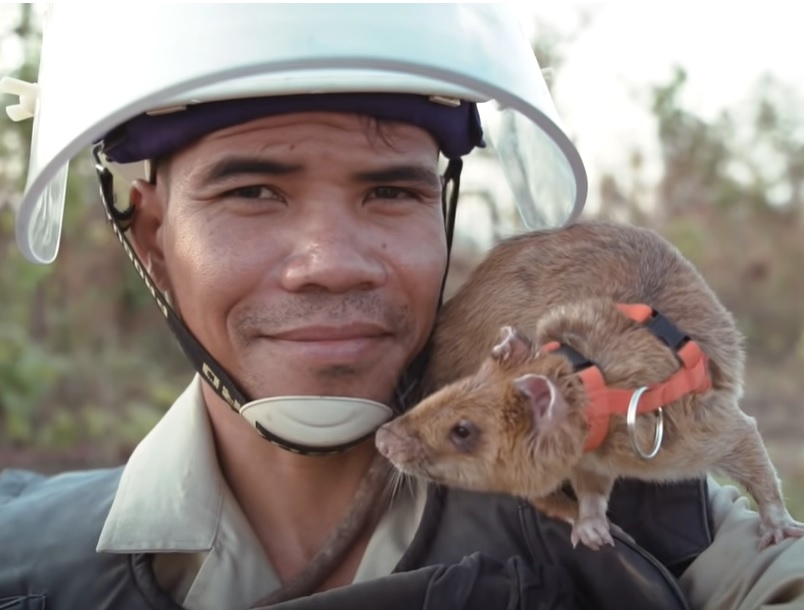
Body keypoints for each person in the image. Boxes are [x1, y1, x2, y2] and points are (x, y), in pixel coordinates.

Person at [0, 4, 801, 610]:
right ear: (153, 240)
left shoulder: (664, 526)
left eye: (390, 191)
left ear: (443, 219)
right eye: (251, 192)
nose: (332, 265)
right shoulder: (25, 563)